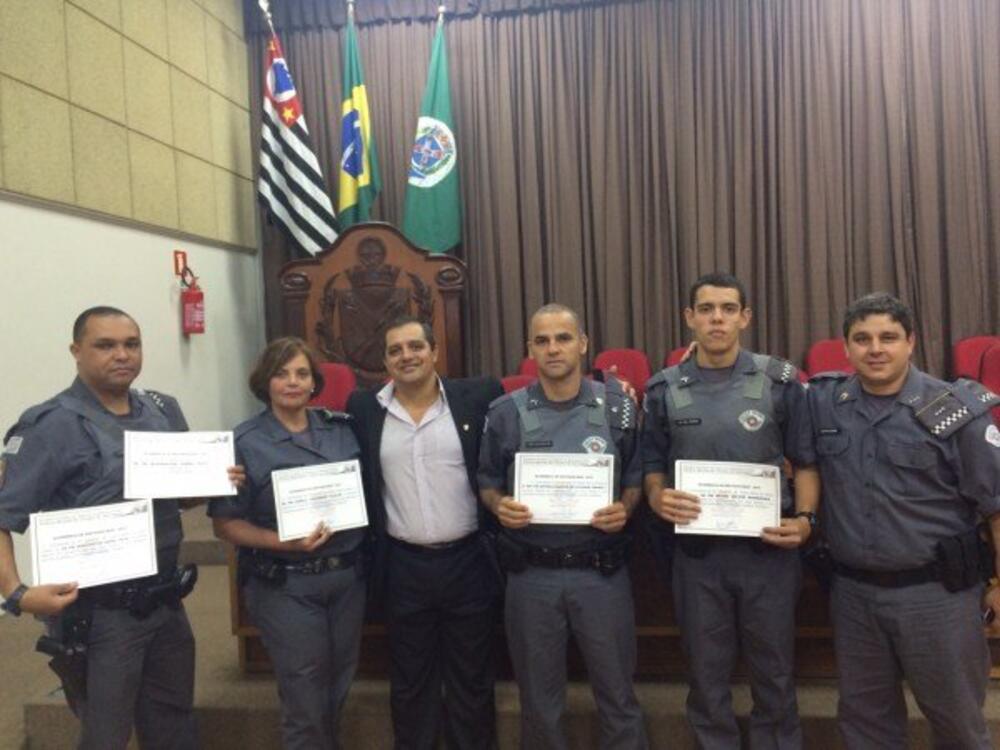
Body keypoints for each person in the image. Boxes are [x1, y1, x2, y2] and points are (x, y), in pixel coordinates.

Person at [0, 306, 226, 749]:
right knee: (106, 735)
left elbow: (179, 499)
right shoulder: (50, 425)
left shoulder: (162, 410)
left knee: (174, 724)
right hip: (98, 616)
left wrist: (212, 478)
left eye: (131, 344)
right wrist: (15, 593)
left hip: (166, 602)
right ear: (76, 351)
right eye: (105, 345)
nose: (121, 355)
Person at [805, 292, 1000, 749]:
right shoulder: (826, 402)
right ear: (847, 346)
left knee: (957, 724)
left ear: (910, 341)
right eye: (863, 338)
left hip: (937, 598)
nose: (876, 348)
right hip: (854, 596)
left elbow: (996, 504)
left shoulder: (956, 411)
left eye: (888, 337)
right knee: (866, 725)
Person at [642, 273, 819, 750]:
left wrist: (804, 521)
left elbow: (805, 463)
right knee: (705, 676)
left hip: (768, 555)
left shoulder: (780, 383)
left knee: (775, 675)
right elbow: (652, 466)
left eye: (726, 308)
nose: (716, 318)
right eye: (706, 309)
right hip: (698, 557)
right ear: (690, 318)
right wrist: (658, 497)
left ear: (744, 317)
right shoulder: (662, 389)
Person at [478, 303, 648, 750]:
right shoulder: (504, 412)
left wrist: (626, 508)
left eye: (563, 338)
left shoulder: (618, 407)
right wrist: (500, 506)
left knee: (618, 697)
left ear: (583, 343)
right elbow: (487, 483)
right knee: (538, 702)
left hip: (600, 574)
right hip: (531, 575)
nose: (553, 348)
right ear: (529, 348)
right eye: (543, 340)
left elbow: (635, 477)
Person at [345, 316, 502, 750]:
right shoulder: (363, 409)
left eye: (415, 346)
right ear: (385, 361)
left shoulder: (478, 397)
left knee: (472, 679)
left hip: (468, 561)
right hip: (403, 566)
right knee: (411, 682)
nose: (406, 356)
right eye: (395, 350)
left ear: (434, 352)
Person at [209, 337, 367, 750]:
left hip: (346, 578)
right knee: (304, 696)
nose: (292, 382)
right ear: (265, 382)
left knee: (338, 684)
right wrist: (282, 541)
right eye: (281, 374)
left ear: (314, 382)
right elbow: (225, 524)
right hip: (285, 583)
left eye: (301, 374)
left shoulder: (341, 429)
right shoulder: (243, 441)